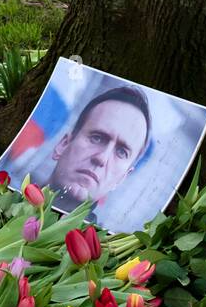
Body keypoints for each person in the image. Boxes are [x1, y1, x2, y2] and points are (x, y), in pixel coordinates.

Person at [35, 85, 152, 221]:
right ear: (63, 144)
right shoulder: (8, 197)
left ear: (122, 178)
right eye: (97, 138)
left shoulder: (105, 242)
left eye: (121, 152)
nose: (102, 158)